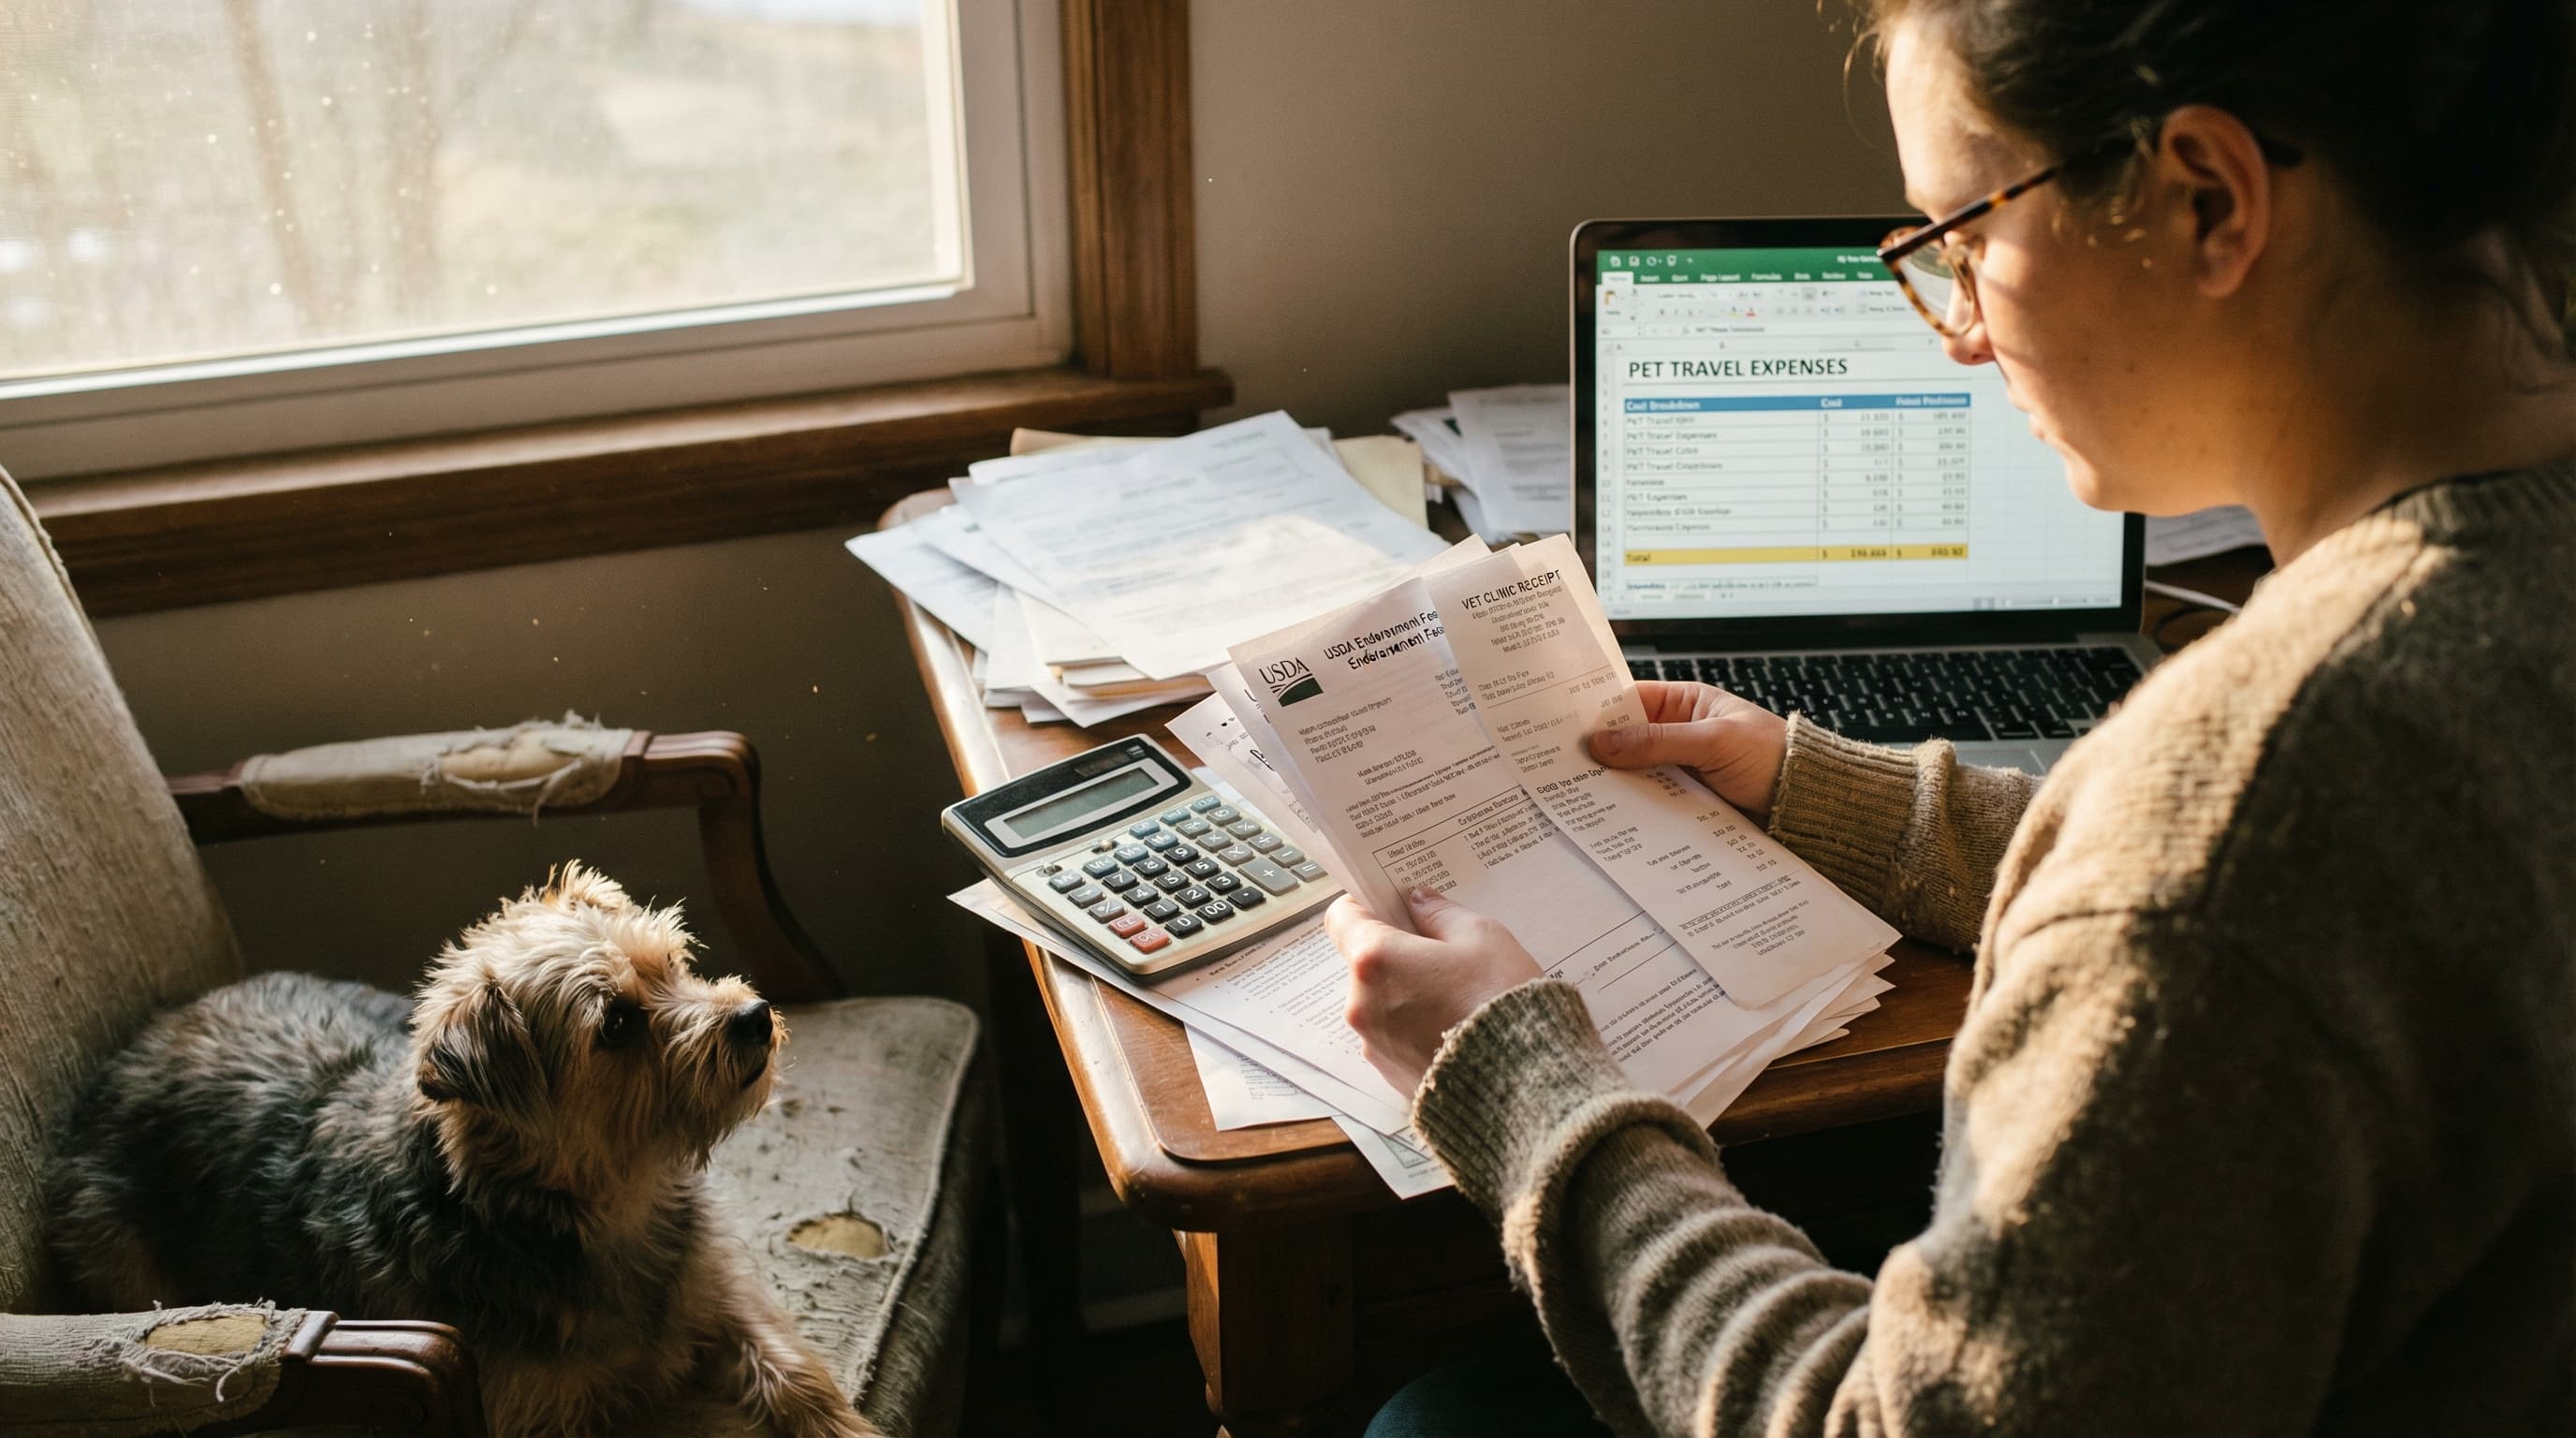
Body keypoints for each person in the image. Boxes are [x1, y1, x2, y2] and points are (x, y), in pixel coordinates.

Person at [1337, 1, 2576, 1432]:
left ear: (2209, 200)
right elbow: (2346, 895)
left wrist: (1525, 1089)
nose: (1965, 334)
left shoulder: (2243, 812)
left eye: (1968, 237)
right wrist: (1817, 784)